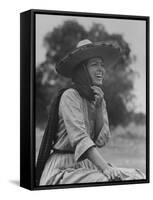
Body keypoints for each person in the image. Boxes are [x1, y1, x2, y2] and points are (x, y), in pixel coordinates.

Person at [36, 39, 145, 186]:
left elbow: (101, 141)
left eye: (102, 65)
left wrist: (99, 107)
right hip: (63, 167)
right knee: (108, 181)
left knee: (137, 175)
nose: (101, 69)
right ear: (82, 69)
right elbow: (80, 139)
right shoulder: (70, 96)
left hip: (88, 165)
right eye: (94, 64)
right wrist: (105, 168)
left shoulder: (98, 98)